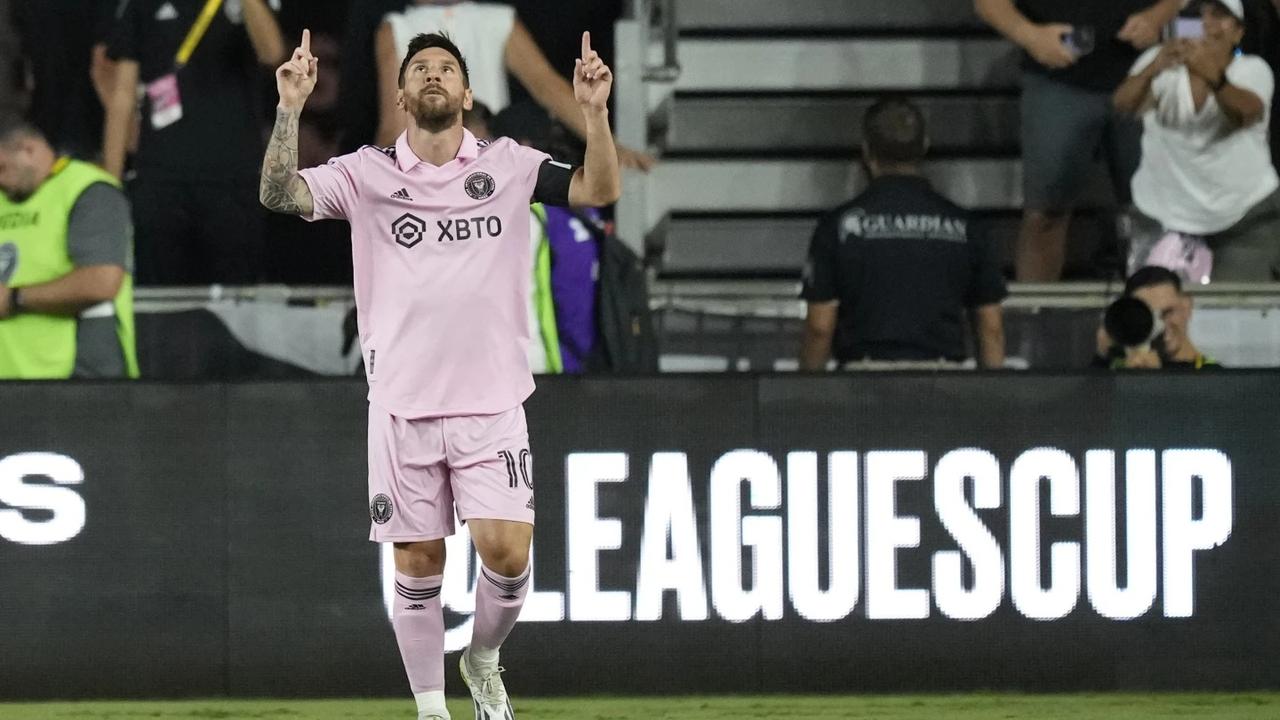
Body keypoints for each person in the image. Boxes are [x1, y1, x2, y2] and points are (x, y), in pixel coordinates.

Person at [260, 28, 620, 720]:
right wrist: (289, 109)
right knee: (419, 562)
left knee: (506, 552)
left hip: (490, 399)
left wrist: (594, 114)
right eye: (419, 67)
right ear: (399, 95)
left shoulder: (509, 165)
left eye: (446, 67)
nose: (432, 74)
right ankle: (431, 709)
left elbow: (598, 187)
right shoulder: (365, 173)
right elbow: (280, 196)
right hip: (402, 404)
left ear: (467, 91)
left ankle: (482, 657)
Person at [975, 0, 1183, 280]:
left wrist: (1158, 17)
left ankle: (1162, 315)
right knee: (1045, 215)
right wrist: (1031, 36)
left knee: (1158, 215)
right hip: (1057, 76)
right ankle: (1035, 317)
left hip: (1146, 73)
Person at [799, 98, 1008, 371]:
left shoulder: (836, 227)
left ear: (866, 150)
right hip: (942, 381)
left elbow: (819, 328)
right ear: (924, 146)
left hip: (861, 381)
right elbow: (991, 328)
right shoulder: (967, 227)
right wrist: (995, 397)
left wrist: (804, 391)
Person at [102, 0, 286, 285]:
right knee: (161, 300)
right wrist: (110, 187)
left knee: (235, 299)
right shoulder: (141, 5)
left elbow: (272, 53)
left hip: (234, 179)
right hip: (159, 179)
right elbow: (122, 96)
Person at [375, 0, 653, 169]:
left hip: (431, 173)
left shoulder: (397, 28)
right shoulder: (497, 20)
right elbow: (547, 87)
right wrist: (608, 144)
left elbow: (394, 125)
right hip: (490, 169)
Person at [1114, 0, 1280, 282]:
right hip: (1163, 216)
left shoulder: (1252, 69)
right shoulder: (1159, 63)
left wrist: (1210, 73)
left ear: (1238, 33)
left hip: (1242, 218)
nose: (1207, 22)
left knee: (1239, 316)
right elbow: (1123, 104)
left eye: (1220, 15)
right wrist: (1153, 66)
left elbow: (1247, 111)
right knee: (1158, 315)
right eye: (1198, 14)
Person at [0, 114, 139, 379]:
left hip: (76, 377)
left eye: (2, 168)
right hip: (9, 377)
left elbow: (101, 281)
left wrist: (14, 298)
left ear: (29, 150)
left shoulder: (88, 191)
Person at [1093, 265, 1220, 369]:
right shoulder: (1117, 373)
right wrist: (1103, 356)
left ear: (1187, 306)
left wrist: (1156, 380)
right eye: (1148, 316)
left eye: (1168, 312)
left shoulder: (1215, 377)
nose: (1161, 325)